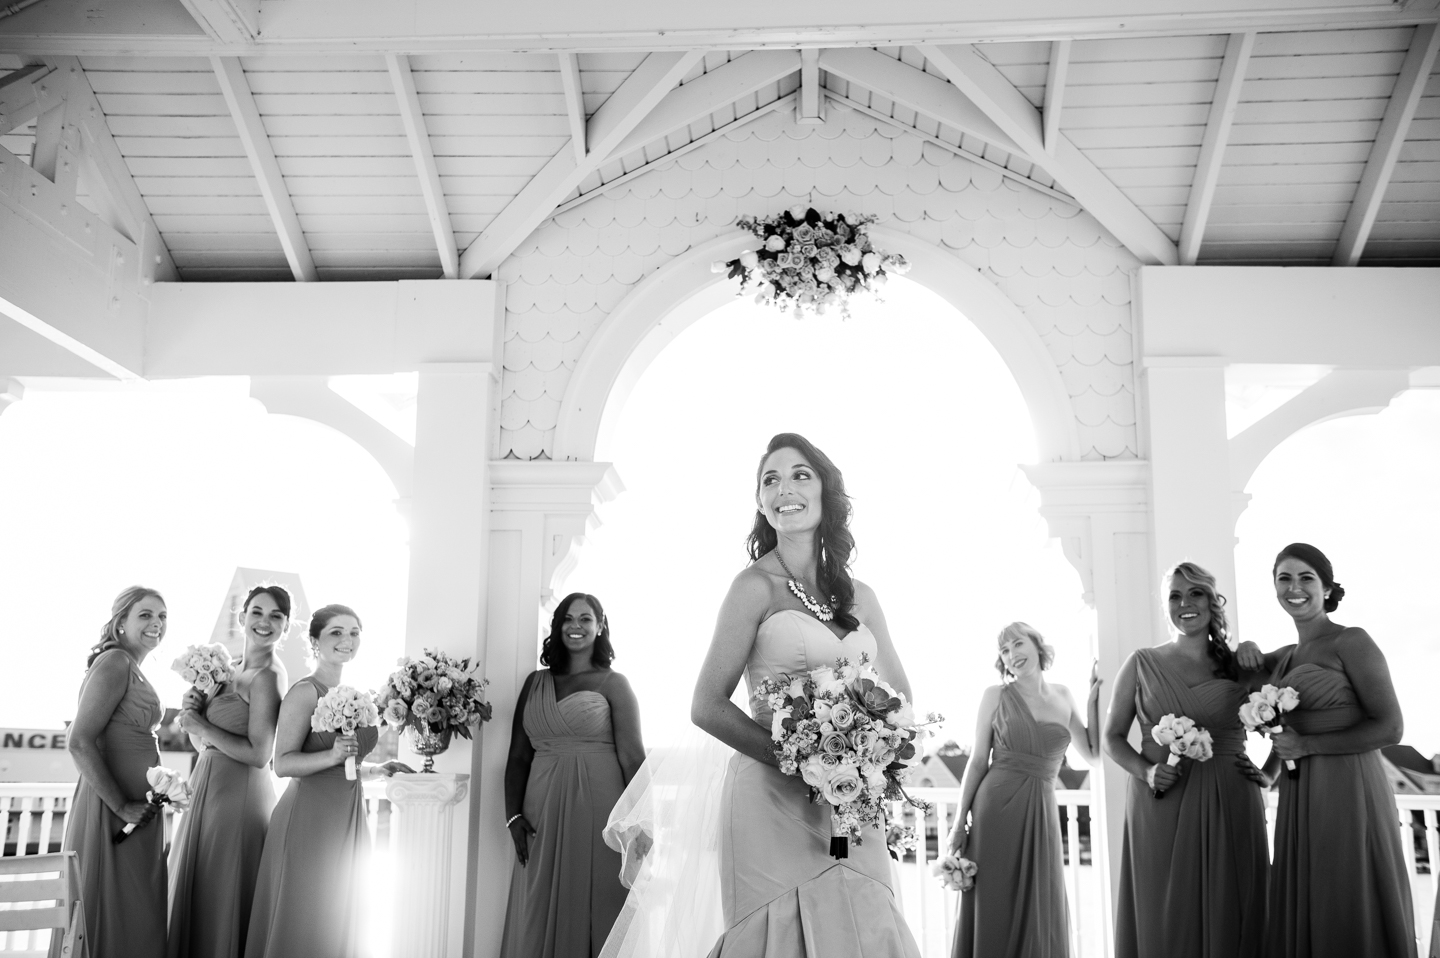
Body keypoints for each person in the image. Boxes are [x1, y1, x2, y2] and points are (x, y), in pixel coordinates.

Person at [688, 432, 921, 956]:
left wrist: (869, 759)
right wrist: (802, 759)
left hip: (852, 802)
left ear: (825, 492)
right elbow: (706, 704)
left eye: (799, 474)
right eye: (770, 479)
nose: (784, 488)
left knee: (864, 924)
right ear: (760, 503)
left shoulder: (863, 597)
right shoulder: (753, 587)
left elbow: (901, 697)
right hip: (769, 798)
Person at [1235, 543, 1415, 958]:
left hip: (1349, 786)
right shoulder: (1283, 657)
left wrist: (1308, 745)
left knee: (1347, 887)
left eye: (1305, 578)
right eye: (1284, 578)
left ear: (1327, 588)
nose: (1294, 588)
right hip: (1300, 793)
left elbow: (1391, 727)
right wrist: (1267, 773)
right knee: (1312, 890)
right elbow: (1274, 714)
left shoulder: (1351, 641)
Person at [1104, 561, 1269, 958]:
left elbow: (1280, 720)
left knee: (1234, 905)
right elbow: (1111, 737)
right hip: (1162, 798)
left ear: (1212, 602)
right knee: (1162, 912)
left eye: (1195, 593)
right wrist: (1145, 771)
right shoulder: (1141, 663)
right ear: (1166, 608)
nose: (1185, 603)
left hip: (1230, 796)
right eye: (1174, 596)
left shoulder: (1239, 665)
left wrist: (1270, 773)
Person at [244, 604, 410, 958]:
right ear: (315, 641)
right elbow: (282, 763)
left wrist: (376, 770)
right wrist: (333, 755)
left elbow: (342, 768)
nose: (347, 640)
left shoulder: (355, 696)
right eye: (336, 632)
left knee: (336, 915)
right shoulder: (305, 692)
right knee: (304, 915)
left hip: (346, 816)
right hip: (307, 820)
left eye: (354, 633)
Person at [499, 592, 647, 958]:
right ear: (557, 626)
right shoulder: (535, 683)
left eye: (585, 618)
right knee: (539, 898)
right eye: (567, 618)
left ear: (600, 627)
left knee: (600, 896)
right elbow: (518, 756)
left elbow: (632, 757)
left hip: (600, 807)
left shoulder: (615, 683)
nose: (576, 626)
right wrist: (512, 815)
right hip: (540, 808)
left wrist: (643, 821)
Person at [946, 622, 1102, 958]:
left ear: (1037, 645)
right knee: (994, 900)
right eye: (1005, 650)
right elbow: (976, 761)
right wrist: (959, 823)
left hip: (1043, 809)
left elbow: (1092, 754)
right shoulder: (996, 695)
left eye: (1018, 644)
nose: (1012, 655)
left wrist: (1094, 701)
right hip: (995, 809)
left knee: (1041, 898)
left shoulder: (1063, 695)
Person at [167, 584, 291, 958]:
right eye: (257, 612)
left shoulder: (267, 677)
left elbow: (259, 754)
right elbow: (204, 746)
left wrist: (203, 726)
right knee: (200, 889)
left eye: (276, 616)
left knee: (221, 893)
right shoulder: (230, 670)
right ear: (242, 617)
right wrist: (193, 714)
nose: (265, 622)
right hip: (206, 788)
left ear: (286, 626)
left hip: (238, 799)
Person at [53, 586, 169, 958]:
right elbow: (79, 740)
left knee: (137, 910)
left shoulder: (132, 666)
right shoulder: (115, 662)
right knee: (113, 908)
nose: (157, 624)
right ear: (120, 623)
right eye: (146, 615)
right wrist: (120, 806)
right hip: (113, 811)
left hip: (139, 810)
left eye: (163, 616)